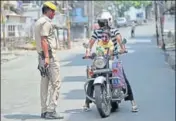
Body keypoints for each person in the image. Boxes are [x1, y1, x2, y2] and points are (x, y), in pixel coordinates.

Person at [83, 18, 138, 112]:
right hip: (100, 59)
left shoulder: (113, 31)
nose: (103, 26)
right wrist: (88, 53)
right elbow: (90, 44)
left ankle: (133, 102)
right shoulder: (97, 32)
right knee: (92, 77)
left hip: (112, 57)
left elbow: (119, 40)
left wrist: (123, 48)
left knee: (122, 78)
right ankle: (87, 103)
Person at [34, 1, 64, 119]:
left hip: (41, 56)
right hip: (49, 56)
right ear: (47, 11)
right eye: (53, 11)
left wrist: (44, 57)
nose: (54, 14)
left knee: (44, 84)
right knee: (56, 84)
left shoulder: (38, 22)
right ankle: (51, 111)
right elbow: (44, 40)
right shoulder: (46, 23)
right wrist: (47, 57)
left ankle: (44, 110)